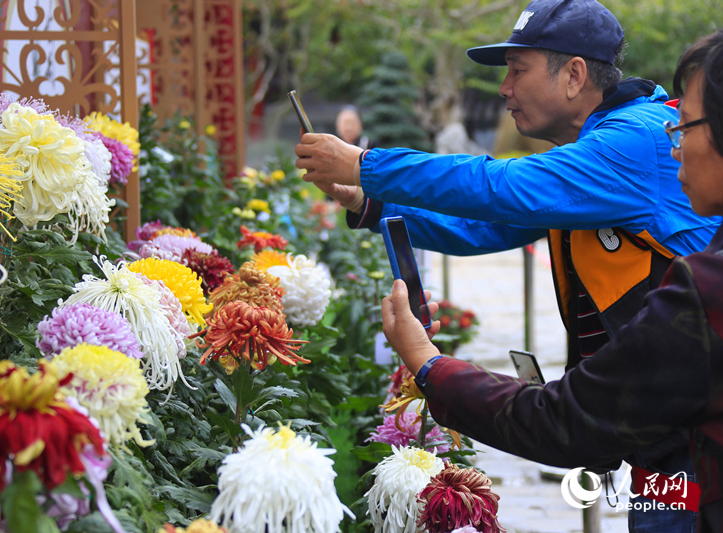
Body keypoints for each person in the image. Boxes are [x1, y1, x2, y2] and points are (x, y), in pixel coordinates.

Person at [295, 0, 720, 530]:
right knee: (658, 512)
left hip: (693, 434)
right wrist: (367, 203)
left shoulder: (633, 141)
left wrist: (366, 164)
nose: (504, 89)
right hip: (658, 429)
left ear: (574, 74)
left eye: (517, 71)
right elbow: (490, 225)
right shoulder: (593, 155)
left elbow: (501, 186)